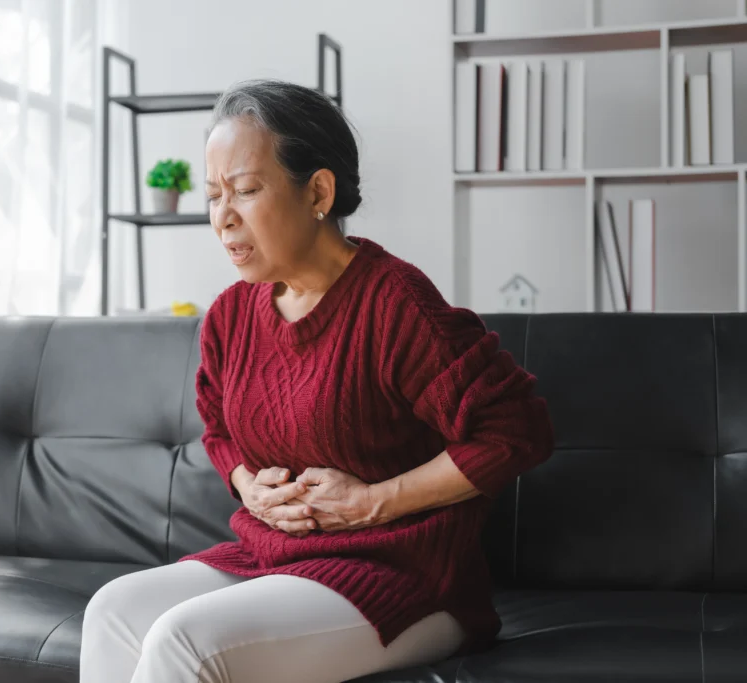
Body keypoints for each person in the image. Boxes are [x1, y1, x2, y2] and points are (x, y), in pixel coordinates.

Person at [79, 79, 555, 683]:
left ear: (319, 192)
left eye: (246, 191)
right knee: (113, 610)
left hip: (406, 576)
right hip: (271, 555)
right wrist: (247, 485)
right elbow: (219, 427)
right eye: (212, 196)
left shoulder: (395, 304)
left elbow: (517, 431)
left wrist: (372, 502)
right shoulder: (231, 314)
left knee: (184, 642)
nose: (223, 218)